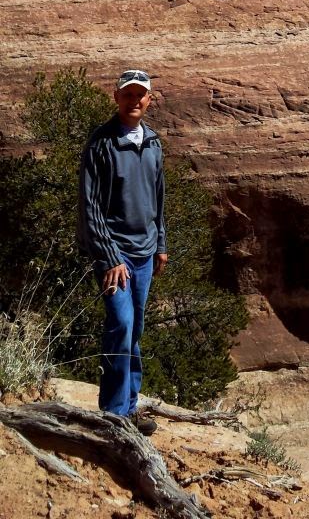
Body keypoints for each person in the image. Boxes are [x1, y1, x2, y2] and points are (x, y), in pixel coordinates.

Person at [78, 68, 168, 435]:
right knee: (121, 322)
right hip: (114, 254)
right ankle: (114, 414)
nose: (134, 101)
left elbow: (158, 198)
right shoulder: (101, 143)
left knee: (135, 329)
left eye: (140, 95)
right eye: (127, 94)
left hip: (145, 252)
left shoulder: (154, 142)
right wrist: (109, 257)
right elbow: (90, 206)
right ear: (116, 98)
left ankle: (128, 407)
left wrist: (160, 243)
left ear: (149, 99)